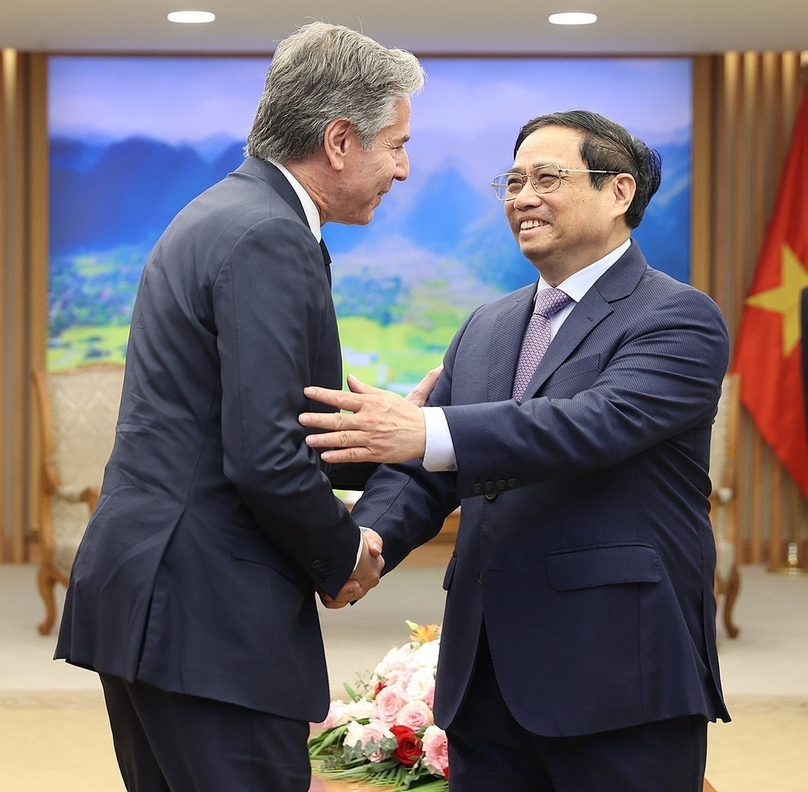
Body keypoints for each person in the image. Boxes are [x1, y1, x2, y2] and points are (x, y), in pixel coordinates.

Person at [299, 110, 731, 791]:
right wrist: (365, 544)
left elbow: (591, 424)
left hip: (617, 669)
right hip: (485, 675)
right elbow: (433, 467)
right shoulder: (488, 324)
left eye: (547, 178)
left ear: (619, 193)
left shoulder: (677, 316)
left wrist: (426, 431)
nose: (523, 197)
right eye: (513, 180)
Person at [55, 22, 426, 792]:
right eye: (395, 144)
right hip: (208, 619)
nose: (403, 167)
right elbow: (262, 455)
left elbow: (250, 417)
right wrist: (343, 552)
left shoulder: (225, 212)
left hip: (157, 602)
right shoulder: (269, 235)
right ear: (338, 141)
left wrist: (392, 433)